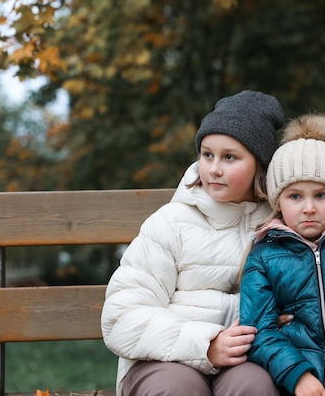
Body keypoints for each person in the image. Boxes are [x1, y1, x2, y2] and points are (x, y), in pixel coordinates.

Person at [101, 90, 286, 396]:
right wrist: (206, 344)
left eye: (230, 157)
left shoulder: (277, 225)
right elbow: (122, 316)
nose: (214, 168)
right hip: (162, 360)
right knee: (178, 389)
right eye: (207, 154)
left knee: (254, 387)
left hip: (244, 358)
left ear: (260, 165)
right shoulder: (171, 223)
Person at [239, 113, 325, 396]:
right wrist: (297, 375)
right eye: (295, 196)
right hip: (293, 380)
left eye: (321, 195)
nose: (309, 207)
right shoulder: (264, 256)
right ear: (278, 200)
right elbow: (259, 330)